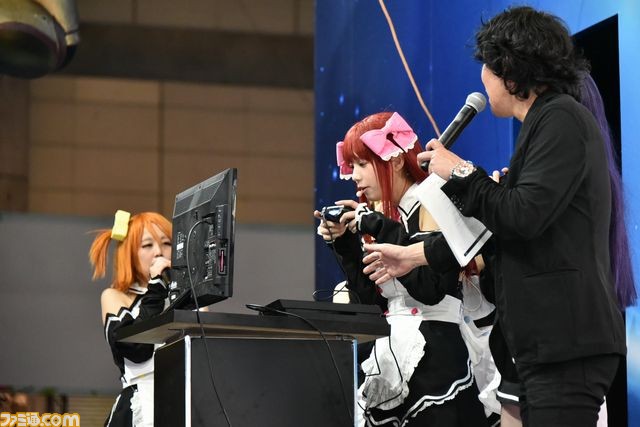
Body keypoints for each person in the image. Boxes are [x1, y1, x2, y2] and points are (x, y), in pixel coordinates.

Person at [361, 6, 634, 427]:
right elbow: (495, 233)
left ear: (509, 70)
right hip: (541, 343)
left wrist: (461, 173)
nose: (483, 79)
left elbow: (521, 216)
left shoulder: (560, 117)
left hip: (565, 340)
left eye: (487, 67)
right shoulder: (545, 123)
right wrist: (414, 256)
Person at [315, 112, 490, 426]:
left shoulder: (432, 200)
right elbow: (370, 303)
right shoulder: (379, 214)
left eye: (362, 164)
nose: (354, 176)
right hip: (390, 350)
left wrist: (378, 225)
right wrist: (344, 244)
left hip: (438, 351)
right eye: (352, 165)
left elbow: (431, 289)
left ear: (395, 161)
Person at [89, 210, 172, 427]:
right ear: (130, 253)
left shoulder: (192, 300)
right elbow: (137, 349)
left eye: (166, 243)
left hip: (189, 403)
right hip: (141, 406)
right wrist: (156, 287)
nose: (159, 252)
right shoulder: (115, 297)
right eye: (147, 245)